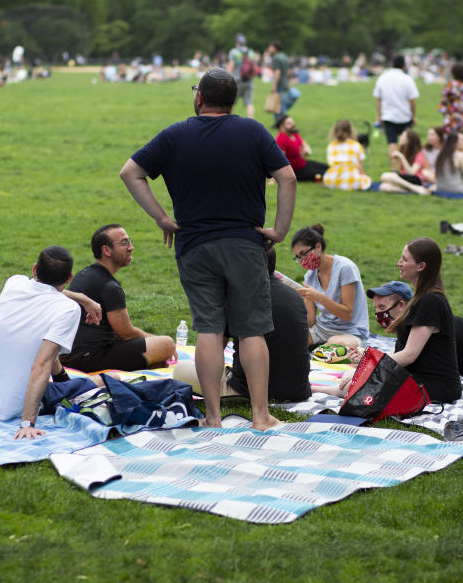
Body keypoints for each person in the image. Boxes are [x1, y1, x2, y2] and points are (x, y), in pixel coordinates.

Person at [119, 67, 296, 431]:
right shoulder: (252, 131)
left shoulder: (174, 135)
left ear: (199, 97)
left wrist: (162, 218)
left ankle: (213, 417)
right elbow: (287, 176)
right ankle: (260, 416)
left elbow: (130, 172)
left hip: (195, 245)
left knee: (210, 330)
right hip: (246, 244)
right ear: (231, 101)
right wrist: (279, 230)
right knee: (251, 331)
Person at [0, 246, 104, 439]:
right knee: (107, 380)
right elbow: (41, 365)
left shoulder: (14, 283)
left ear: (34, 269)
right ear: (69, 279)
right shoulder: (68, 309)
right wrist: (27, 423)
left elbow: (44, 291)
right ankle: (75, 385)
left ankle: (63, 381)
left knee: (46, 348)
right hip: (13, 405)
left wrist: (82, 299)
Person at [173, 247, 311, 403]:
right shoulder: (294, 295)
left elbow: (215, 348)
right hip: (298, 390)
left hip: (248, 390)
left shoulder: (237, 296)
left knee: (180, 370)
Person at [340, 238, 461, 403]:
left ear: (421, 266)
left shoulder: (430, 302)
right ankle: (320, 389)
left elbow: (409, 355)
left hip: (435, 385)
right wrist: (369, 360)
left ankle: (320, 390)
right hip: (418, 377)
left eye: (404, 259)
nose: (399, 263)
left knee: (359, 387)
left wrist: (367, 369)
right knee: (356, 386)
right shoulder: (423, 298)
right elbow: (404, 352)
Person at [60, 224, 177, 371]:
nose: (131, 247)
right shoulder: (109, 286)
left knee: (156, 359)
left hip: (72, 355)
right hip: (92, 358)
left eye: (130, 241)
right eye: (124, 243)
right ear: (106, 250)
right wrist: (153, 339)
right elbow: (126, 334)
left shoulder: (84, 274)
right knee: (166, 344)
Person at [290, 223, 369, 348]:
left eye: (304, 254)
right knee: (288, 340)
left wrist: (319, 297)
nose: (302, 260)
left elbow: (347, 314)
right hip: (322, 329)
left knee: (338, 346)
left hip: (350, 332)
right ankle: (323, 348)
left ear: (318, 246)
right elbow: (310, 322)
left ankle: (324, 348)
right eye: (298, 257)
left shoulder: (345, 268)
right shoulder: (309, 276)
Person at [374, 54, 419, 169]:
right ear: (404, 65)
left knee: (391, 143)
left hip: (388, 116)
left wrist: (379, 115)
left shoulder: (383, 78)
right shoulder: (408, 79)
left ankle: (394, 168)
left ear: (391, 63)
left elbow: (378, 99)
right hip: (405, 116)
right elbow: (412, 100)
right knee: (405, 143)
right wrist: (414, 115)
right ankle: (404, 166)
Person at [275, 114, 327, 182]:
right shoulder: (281, 140)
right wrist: (273, 179)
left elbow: (305, 147)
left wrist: (306, 151)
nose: (293, 124)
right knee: (324, 174)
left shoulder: (294, 134)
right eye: (289, 123)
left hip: (304, 164)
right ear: (281, 127)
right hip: (295, 172)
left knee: (327, 167)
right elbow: (279, 161)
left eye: (292, 122)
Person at [322, 119, 372, 191]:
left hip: (331, 180)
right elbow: (360, 167)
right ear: (350, 131)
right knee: (366, 179)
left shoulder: (331, 146)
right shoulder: (356, 145)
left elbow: (331, 163)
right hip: (351, 178)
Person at [380, 128, 432, 195]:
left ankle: (414, 188)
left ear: (408, 140)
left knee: (385, 176)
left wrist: (401, 157)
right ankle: (415, 190)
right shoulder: (403, 150)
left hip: (416, 179)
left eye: (403, 136)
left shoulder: (419, 154)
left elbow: (412, 172)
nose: (400, 137)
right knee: (383, 187)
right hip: (405, 178)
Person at [437, 63, 463, 134]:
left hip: (451, 119)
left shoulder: (449, 86)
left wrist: (446, 113)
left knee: (450, 142)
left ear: (453, 73)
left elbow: (443, 104)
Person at [267, 40, 298, 123]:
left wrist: (274, 85)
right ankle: (278, 122)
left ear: (275, 48)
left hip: (279, 84)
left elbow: (277, 73)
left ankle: (284, 121)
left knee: (278, 104)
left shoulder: (276, 58)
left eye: (270, 47)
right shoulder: (284, 56)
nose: (269, 49)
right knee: (280, 103)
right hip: (285, 83)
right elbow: (289, 71)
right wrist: (288, 82)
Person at [226, 33, 255, 117]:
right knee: (249, 103)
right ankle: (251, 122)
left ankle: (228, 121)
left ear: (236, 42)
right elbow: (254, 68)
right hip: (248, 81)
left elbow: (231, 66)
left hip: (236, 81)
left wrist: (226, 79)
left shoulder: (234, 52)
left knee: (231, 102)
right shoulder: (251, 53)